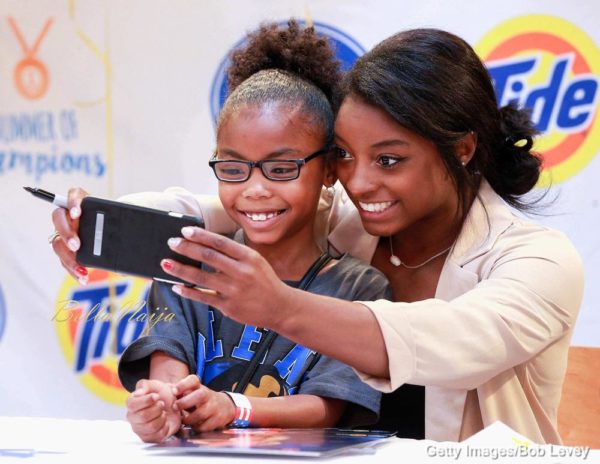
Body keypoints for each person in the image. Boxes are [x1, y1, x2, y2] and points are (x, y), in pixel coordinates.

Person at [50, 28, 584, 444]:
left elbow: (451, 341)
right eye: (346, 157)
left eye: (389, 160)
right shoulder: (342, 215)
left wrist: (278, 306)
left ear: (463, 149)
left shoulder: (539, 262)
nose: (360, 181)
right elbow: (209, 207)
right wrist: (90, 219)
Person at [113, 21, 387, 443]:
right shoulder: (186, 268)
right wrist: (161, 405)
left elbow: (328, 405)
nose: (255, 189)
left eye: (281, 169)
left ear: (330, 169)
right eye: (233, 168)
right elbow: (168, 369)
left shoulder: (360, 287)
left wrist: (235, 408)